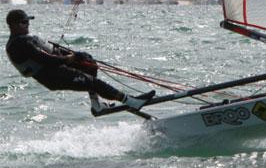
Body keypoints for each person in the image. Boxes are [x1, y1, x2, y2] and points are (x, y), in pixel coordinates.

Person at [5, 9, 155, 115]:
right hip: (51, 76)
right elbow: (45, 59)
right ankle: (131, 101)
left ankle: (96, 106)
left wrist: (75, 55)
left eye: (27, 22)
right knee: (94, 83)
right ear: (14, 25)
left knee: (89, 62)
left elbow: (51, 52)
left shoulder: (25, 40)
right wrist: (67, 59)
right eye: (24, 22)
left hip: (57, 69)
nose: (28, 25)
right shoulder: (19, 45)